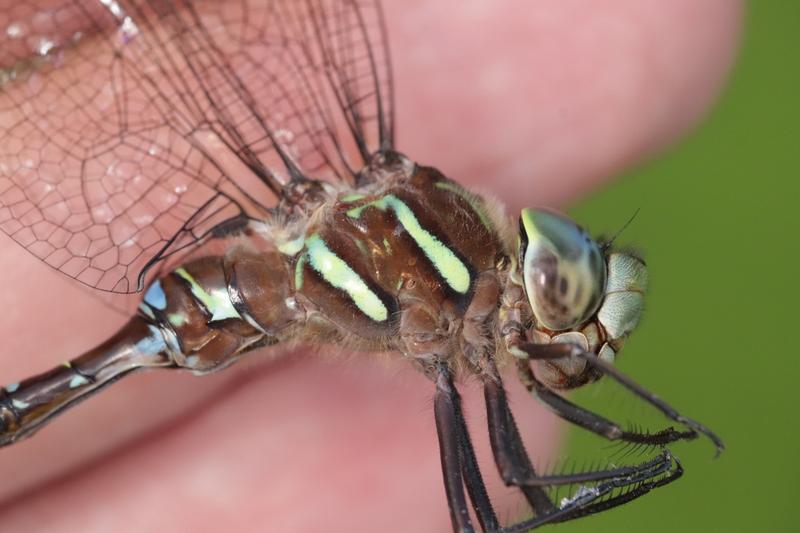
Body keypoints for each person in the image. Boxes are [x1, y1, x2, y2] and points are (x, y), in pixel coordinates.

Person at [0, 1, 742, 531]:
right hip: (222, 295)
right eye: (571, 292)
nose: (575, 335)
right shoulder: (464, 308)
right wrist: (650, 446)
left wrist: (646, 449)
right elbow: (515, 482)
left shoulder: (466, 315)